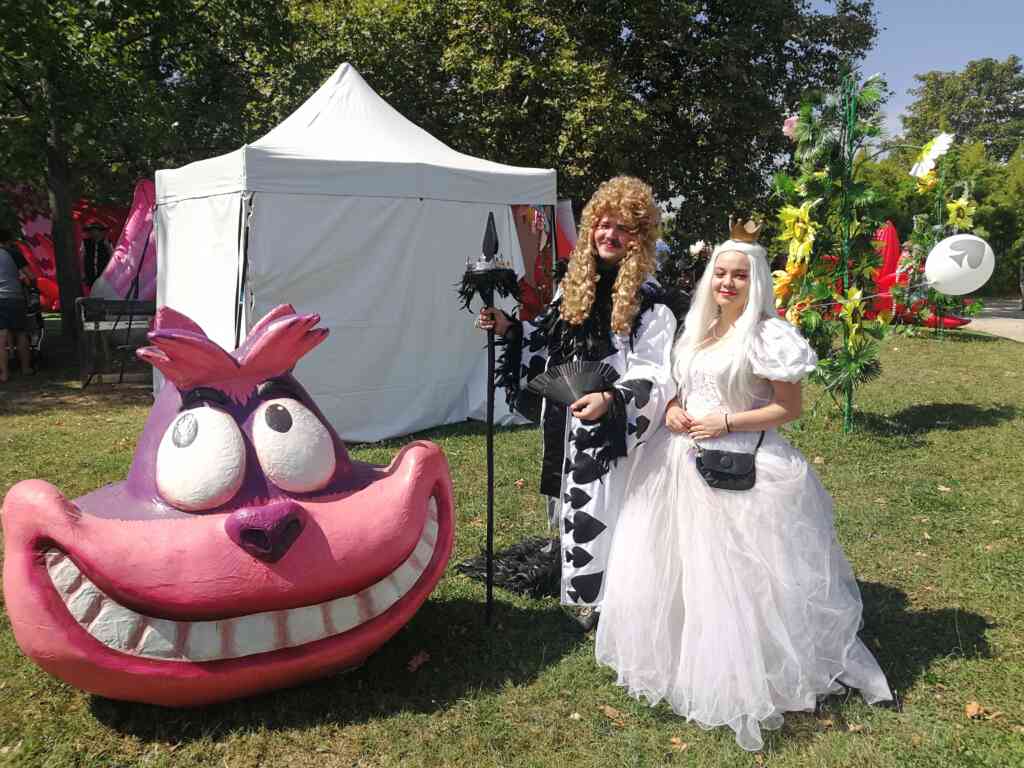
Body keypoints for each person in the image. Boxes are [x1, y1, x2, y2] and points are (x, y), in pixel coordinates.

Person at [595, 224, 891, 751]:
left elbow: (788, 408)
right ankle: (684, 657)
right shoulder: (698, 329)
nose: (728, 283)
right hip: (679, 458)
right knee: (680, 565)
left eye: (740, 276)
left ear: (757, 283)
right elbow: (680, 382)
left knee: (741, 577)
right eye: (721, 274)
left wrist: (727, 422)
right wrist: (673, 407)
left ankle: (751, 669)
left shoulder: (768, 335)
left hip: (740, 465)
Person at [477, 176, 681, 629]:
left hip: (614, 429)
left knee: (612, 505)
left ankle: (610, 596)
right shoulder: (571, 288)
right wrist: (510, 328)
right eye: (604, 224)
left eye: (623, 228)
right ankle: (584, 589)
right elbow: (546, 342)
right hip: (569, 421)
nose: (610, 234)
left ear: (639, 237)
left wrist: (613, 399)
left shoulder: (651, 302)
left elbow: (654, 371)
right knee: (577, 503)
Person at [0, 227, 35, 382]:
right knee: (21, 333)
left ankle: (4, 373)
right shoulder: (14, 253)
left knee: (1, 337)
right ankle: (26, 368)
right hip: (15, 297)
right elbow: (31, 276)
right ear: (7, 241)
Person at [82, 220, 112, 287]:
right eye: (92, 230)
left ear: (100, 232)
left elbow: (112, 256)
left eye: (95, 230)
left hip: (103, 275)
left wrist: (107, 246)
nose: (93, 232)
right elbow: (82, 257)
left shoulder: (107, 242)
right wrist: (83, 272)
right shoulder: (86, 243)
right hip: (90, 275)